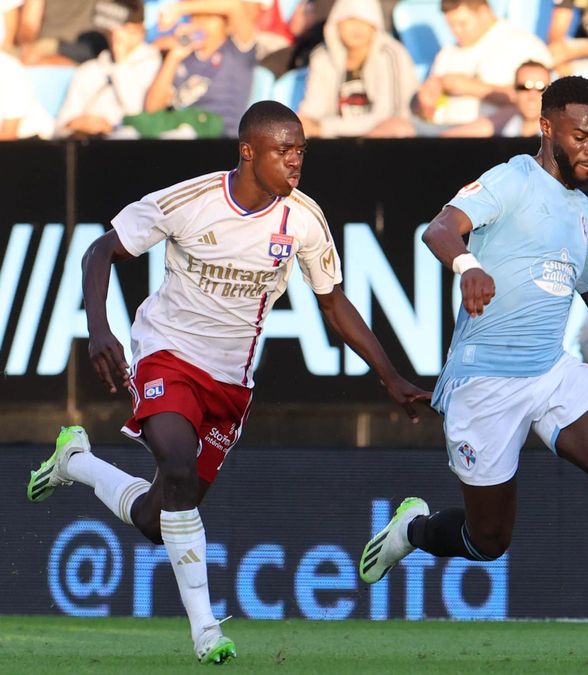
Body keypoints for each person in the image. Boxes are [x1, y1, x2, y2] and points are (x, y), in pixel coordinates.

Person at [25, 101, 430, 665]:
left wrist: (389, 375)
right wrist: (100, 331)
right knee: (177, 464)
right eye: (283, 151)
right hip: (167, 355)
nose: (296, 161)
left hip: (231, 382)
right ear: (248, 151)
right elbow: (100, 251)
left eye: (301, 151)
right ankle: (206, 631)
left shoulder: (303, 220)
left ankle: (77, 463)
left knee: (159, 517)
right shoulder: (190, 201)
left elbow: (333, 302)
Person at [357, 76, 588, 670]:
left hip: (550, 372)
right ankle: (411, 531)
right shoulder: (510, 179)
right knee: (487, 541)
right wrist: (467, 264)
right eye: (580, 135)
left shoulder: (584, 214)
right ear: (548, 129)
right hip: (484, 384)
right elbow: (439, 229)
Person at [417, 0, 551, 127]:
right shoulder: (447, 53)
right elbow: (423, 111)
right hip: (438, 135)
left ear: (484, 12)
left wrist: (472, 87)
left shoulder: (524, 45)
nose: (456, 31)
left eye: (462, 24)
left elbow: (539, 101)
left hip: (496, 140)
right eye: (450, 25)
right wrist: (425, 102)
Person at [298, 0, 418, 138]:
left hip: (379, 142)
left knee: (396, 128)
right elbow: (312, 109)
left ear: (374, 25)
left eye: (364, 21)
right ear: (337, 23)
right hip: (334, 142)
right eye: (350, 20)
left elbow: (390, 115)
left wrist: (325, 128)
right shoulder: (322, 57)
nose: (357, 28)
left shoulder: (390, 53)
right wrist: (306, 123)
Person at [145, 0, 259, 138]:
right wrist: (173, 57)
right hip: (181, 133)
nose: (200, 24)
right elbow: (152, 109)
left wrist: (179, 9)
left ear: (225, 24)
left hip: (222, 139)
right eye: (196, 17)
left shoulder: (237, 52)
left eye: (208, 18)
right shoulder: (184, 58)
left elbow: (234, 7)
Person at [55, 1, 160, 138]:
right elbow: (60, 126)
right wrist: (77, 123)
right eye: (117, 30)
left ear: (141, 31)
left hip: (127, 145)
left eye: (130, 31)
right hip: (85, 143)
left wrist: (120, 61)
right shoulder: (89, 70)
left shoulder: (153, 63)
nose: (120, 36)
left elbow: (136, 110)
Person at [440, 60, 550, 138]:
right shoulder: (502, 127)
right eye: (524, 87)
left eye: (541, 88)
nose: (532, 96)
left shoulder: (562, 141)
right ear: (514, 91)